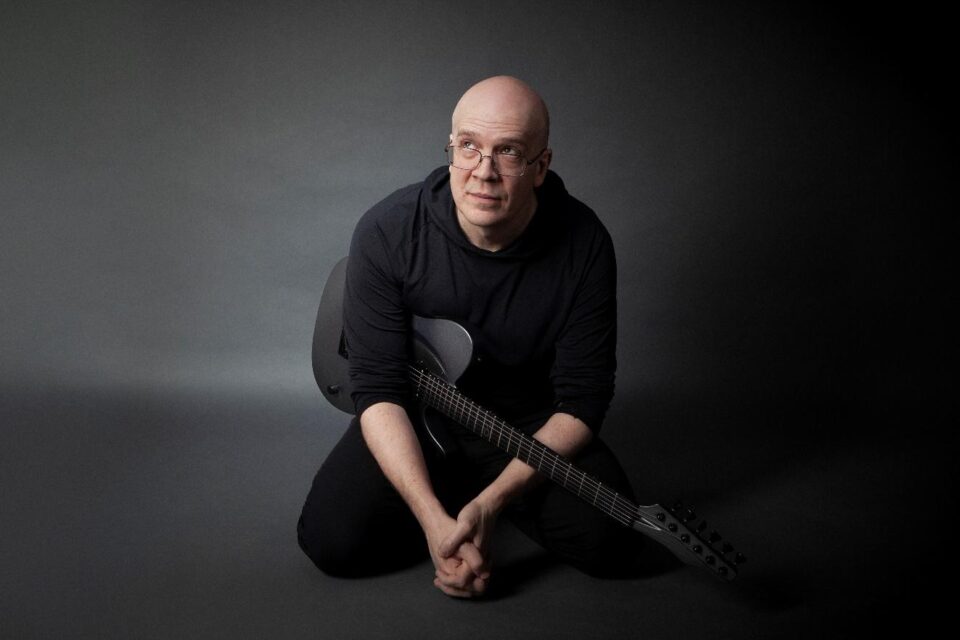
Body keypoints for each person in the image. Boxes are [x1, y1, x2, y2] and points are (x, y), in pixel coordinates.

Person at [298, 76, 640, 597]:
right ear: (451, 148)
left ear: (541, 166)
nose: (484, 171)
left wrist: (492, 502)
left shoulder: (584, 242)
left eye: (509, 151)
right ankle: (446, 496)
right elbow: (379, 389)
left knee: (613, 546)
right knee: (331, 543)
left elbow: (583, 401)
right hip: (420, 416)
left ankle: (482, 493)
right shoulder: (389, 229)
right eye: (469, 146)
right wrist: (434, 523)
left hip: (523, 425)